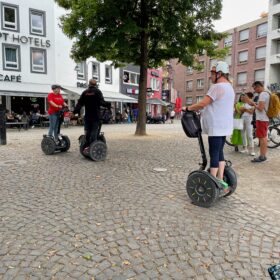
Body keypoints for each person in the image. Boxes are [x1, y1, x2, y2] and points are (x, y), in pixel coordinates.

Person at [185, 61, 234, 192]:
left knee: (214, 153)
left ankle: (213, 183)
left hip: (216, 126)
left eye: (212, 73)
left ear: (219, 73)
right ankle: (220, 178)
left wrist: (188, 107)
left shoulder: (217, 87)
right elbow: (217, 106)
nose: (211, 76)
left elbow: (203, 103)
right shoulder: (229, 87)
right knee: (219, 152)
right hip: (224, 126)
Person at [73, 79, 110, 153]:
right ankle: (92, 148)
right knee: (94, 132)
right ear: (96, 85)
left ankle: (86, 146)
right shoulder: (97, 92)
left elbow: (80, 103)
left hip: (87, 116)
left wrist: (75, 112)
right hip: (96, 116)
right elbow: (102, 102)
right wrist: (108, 105)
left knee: (87, 132)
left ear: (89, 84)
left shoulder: (85, 92)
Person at [244, 81, 270, 162]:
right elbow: (262, 106)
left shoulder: (262, 94)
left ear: (259, 86)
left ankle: (262, 156)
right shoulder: (268, 92)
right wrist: (254, 103)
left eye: (255, 88)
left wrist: (253, 103)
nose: (254, 90)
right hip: (265, 118)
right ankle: (263, 155)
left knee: (262, 138)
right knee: (264, 137)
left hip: (261, 119)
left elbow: (260, 108)